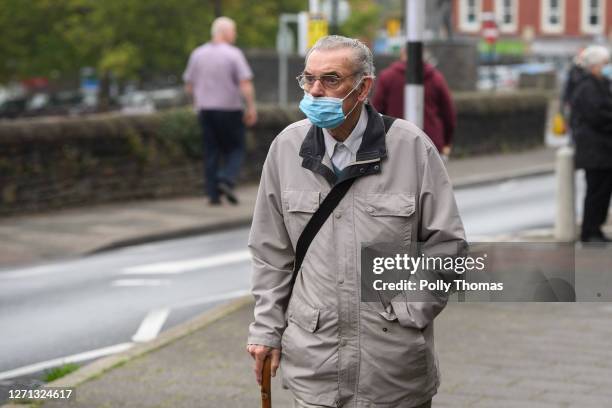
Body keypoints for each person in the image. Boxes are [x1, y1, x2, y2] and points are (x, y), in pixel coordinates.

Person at [246, 35, 466, 408]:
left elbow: (447, 245)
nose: (316, 91)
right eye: (308, 79)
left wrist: (408, 309)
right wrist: (266, 329)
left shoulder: (411, 147)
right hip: (315, 366)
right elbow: (271, 253)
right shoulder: (286, 148)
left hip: (392, 369)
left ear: (363, 87)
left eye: (331, 79)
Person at [183, 16, 257, 205]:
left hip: (205, 110)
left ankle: (213, 195)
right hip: (229, 110)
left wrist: (195, 104)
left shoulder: (197, 54)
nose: (235, 34)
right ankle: (226, 179)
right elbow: (245, 83)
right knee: (237, 148)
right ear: (224, 32)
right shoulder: (233, 54)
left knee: (211, 150)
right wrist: (250, 107)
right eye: (233, 30)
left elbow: (189, 85)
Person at [372, 47, 456, 161]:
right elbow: (448, 114)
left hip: (396, 141)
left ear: (402, 54)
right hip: (430, 142)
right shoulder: (436, 78)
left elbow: (376, 111)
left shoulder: (387, 77)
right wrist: (446, 141)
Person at [569, 45, 612, 243]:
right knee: (595, 191)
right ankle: (590, 230)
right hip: (595, 150)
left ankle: (596, 229)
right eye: (605, 63)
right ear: (594, 66)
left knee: (603, 192)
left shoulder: (600, 84)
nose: (607, 66)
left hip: (603, 150)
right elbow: (596, 116)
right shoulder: (587, 87)